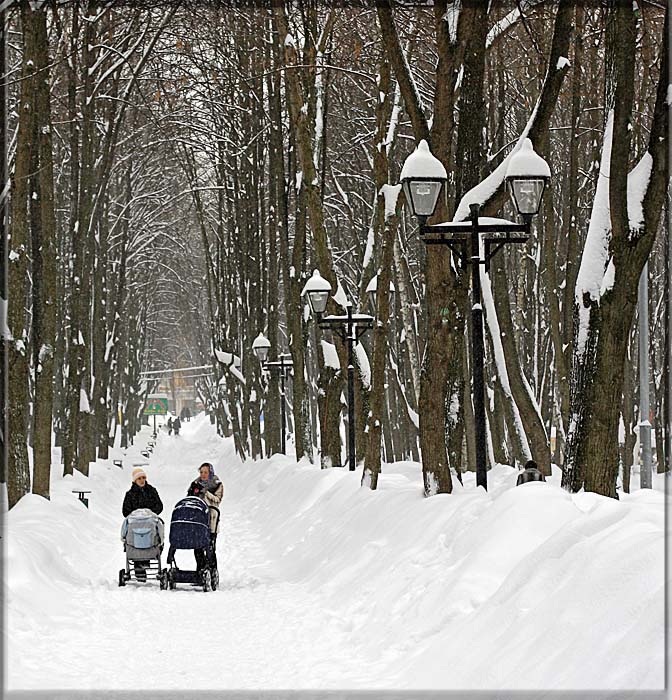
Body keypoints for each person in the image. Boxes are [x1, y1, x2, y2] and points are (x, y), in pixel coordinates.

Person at [122, 468, 163, 580]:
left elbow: (159, 506)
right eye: (139, 478)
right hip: (136, 523)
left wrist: (149, 513)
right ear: (135, 480)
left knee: (152, 536)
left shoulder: (152, 491)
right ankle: (139, 566)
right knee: (137, 539)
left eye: (143, 478)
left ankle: (145, 561)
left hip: (149, 521)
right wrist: (136, 514)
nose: (142, 480)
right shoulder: (130, 494)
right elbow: (125, 511)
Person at [187, 462, 223, 569]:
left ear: (210, 472)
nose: (203, 474)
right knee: (197, 548)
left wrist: (206, 493)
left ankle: (212, 571)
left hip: (211, 519)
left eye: (205, 472)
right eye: (201, 472)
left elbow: (217, 500)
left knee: (210, 548)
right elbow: (189, 498)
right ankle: (200, 570)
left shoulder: (217, 484)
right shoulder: (195, 483)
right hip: (198, 520)